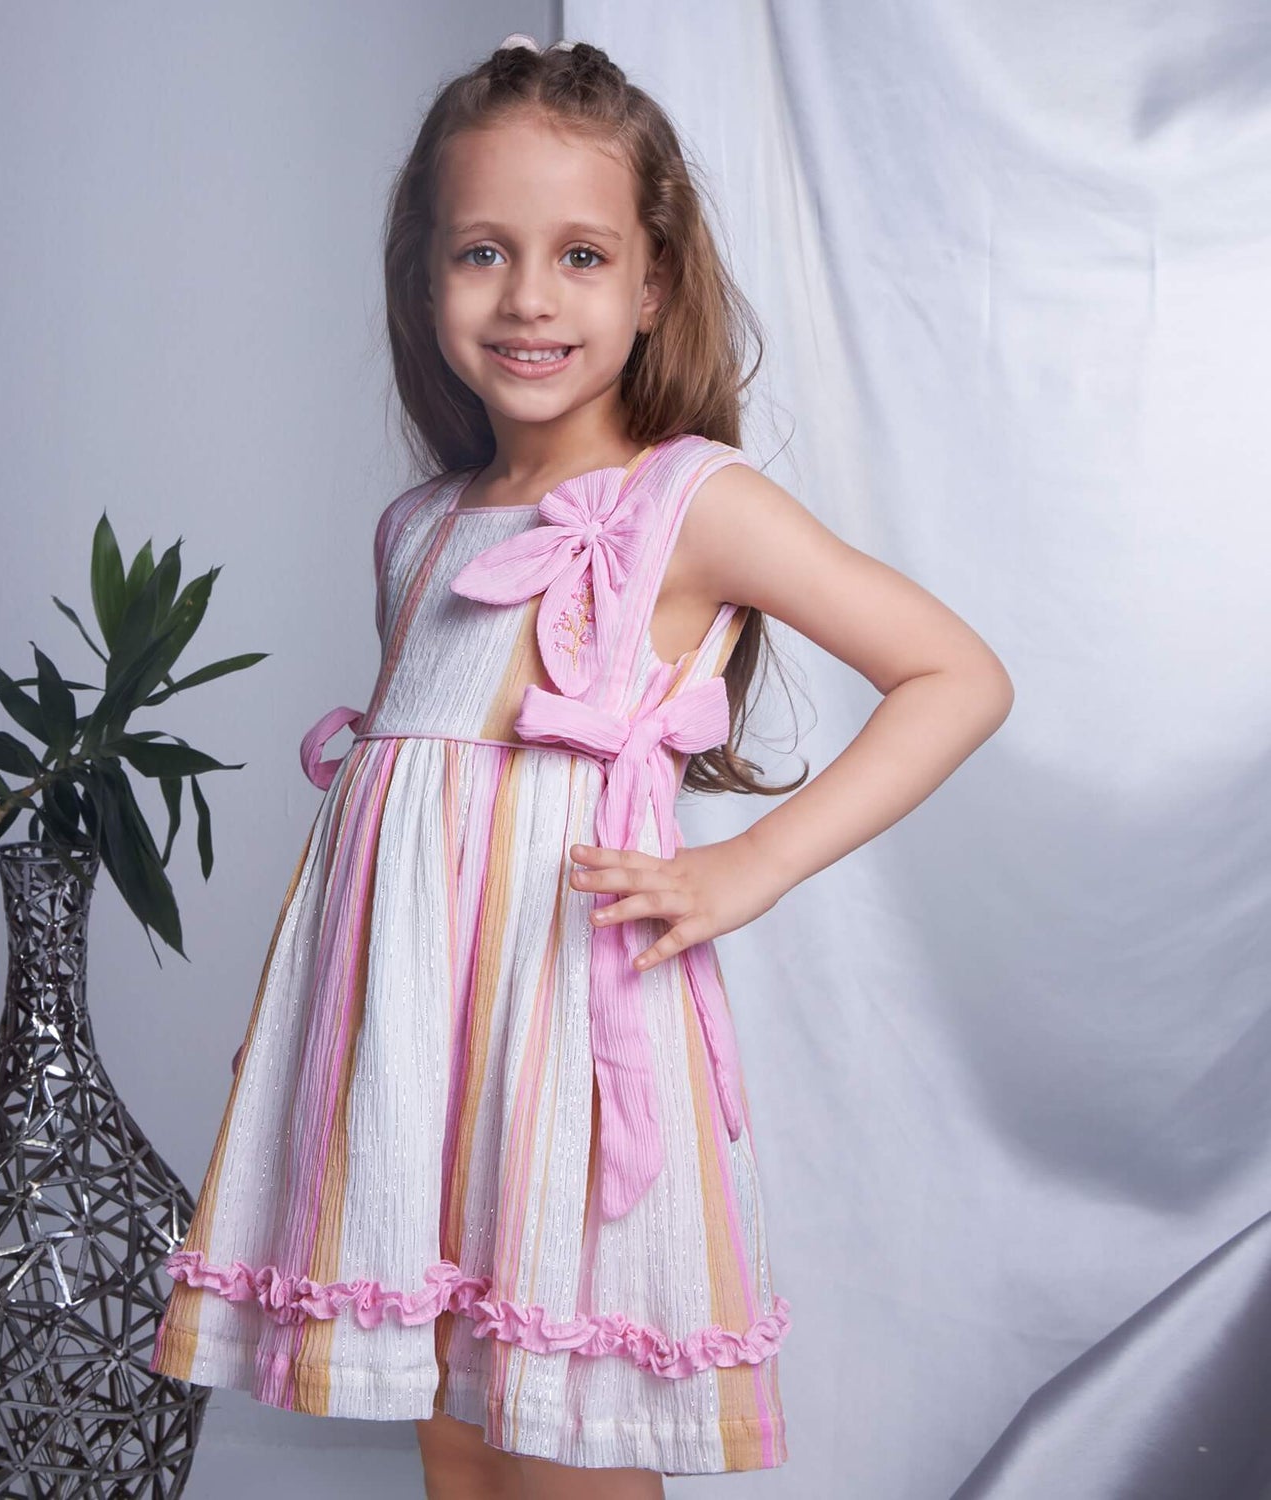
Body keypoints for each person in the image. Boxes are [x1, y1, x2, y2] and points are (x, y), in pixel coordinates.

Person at [149, 31, 1013, 1500]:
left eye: (583, 256)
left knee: (563, 1442)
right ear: (425, 280)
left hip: (571, 1040)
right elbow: (407, 830)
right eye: (484, 251)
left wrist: (749, 864)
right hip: (423, 1055)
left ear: (655, 281)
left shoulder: (692, 501)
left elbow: (958, 677)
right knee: (459, 1436)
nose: (531, 297)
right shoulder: (421, 529)